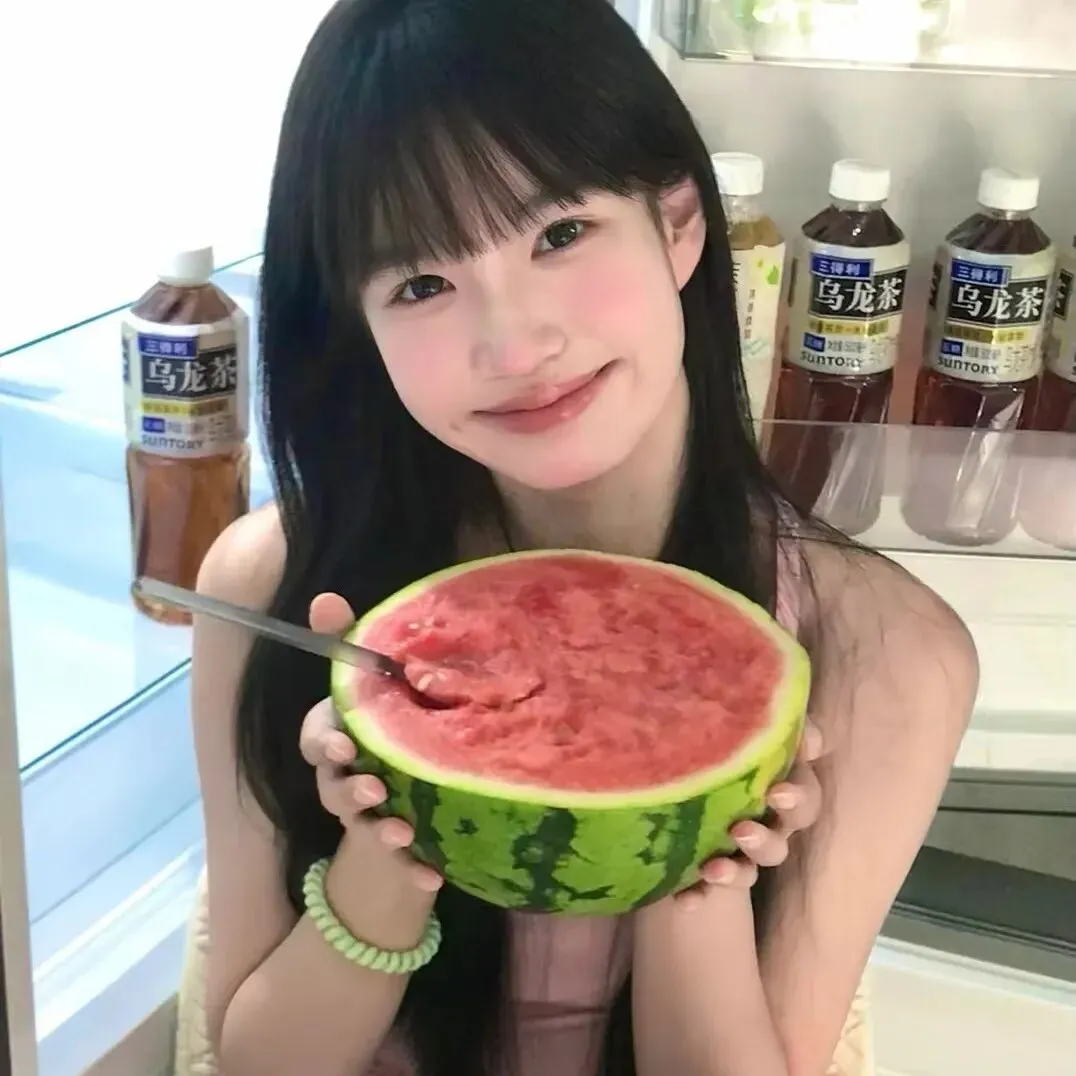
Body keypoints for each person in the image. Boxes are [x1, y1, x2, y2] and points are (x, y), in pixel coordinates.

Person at [189, 1, 978, 1074]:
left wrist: (698, 857)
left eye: (559, 234)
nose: (515, 344)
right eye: (421, 284)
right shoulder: (272, 587)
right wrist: (381, 850)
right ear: (359, 329)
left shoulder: (888, 655)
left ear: (678, 223)